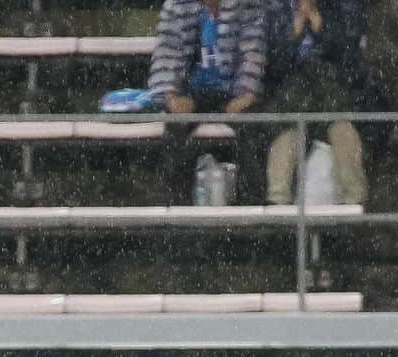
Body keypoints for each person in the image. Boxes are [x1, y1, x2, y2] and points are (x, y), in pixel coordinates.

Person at [148, 0, 267, 203]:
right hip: (192, 93)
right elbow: (167, 52)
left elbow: (253, 51)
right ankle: (173, 206)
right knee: (175, 131)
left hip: (232, 91)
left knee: (253, 129)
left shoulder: (247, 4)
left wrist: (246, 93)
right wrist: (171, 95)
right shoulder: (177, 6)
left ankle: (252, 205)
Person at [264, 0, 368, 206]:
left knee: (341, 127)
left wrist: (322, 29)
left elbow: (350, 58)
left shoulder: (336, 9)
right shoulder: (278, 11)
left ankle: (354, 198)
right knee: (286, 131)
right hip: (294, 84)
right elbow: (273, 66)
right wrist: (293, 34)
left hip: (330, 82)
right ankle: (278, 199)